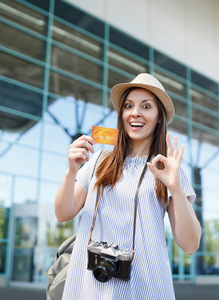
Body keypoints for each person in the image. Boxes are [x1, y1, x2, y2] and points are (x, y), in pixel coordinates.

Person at [54, 73, 202, 299]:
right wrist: (71, 171)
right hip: (92, 286)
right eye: (129, 105)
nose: (135, 112)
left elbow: (190, 245)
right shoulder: (100, 161)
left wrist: (176, 189)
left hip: (146, 288)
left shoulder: (167, 169)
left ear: (159, 117)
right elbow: (63, 213)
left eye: (146, 106)